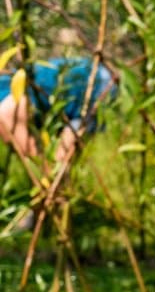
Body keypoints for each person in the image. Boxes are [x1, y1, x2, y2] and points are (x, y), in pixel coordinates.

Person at [0, 54, 119, 201]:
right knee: (58, 168)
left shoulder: (5, 113)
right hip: (84, 75)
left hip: (94, 85)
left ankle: (51, 216)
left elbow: (37, 163)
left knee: (57, 169)